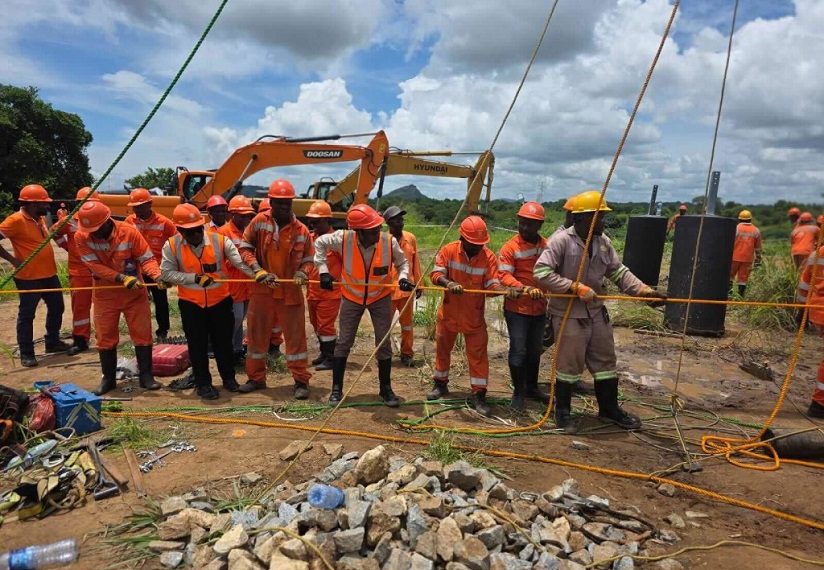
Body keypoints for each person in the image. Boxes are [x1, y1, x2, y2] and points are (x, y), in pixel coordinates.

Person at [533, 190, 665, 433]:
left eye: (603, 216)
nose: (604, 221)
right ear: (581, 219)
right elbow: (541, 273)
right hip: (569, 314)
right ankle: (562, 413)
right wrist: (573, 287)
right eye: (600, 216)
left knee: (605, 362)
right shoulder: (561, 241)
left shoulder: (603, 242)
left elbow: (618, 272)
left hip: (595, 313)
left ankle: (609, 409)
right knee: (569, 365)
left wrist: (644, 292)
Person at [161, 204, 267, 400]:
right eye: (190, 232)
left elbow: (239, 262)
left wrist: (258, 274)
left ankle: (229, 379)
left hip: (220, 302)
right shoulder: (172, 245)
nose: (195, 235)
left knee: (223, 344)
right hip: (191, 304)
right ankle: (203, 383)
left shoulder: (220, 241)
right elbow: (167, 274)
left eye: (198, 230)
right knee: (198, 346)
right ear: (181, 231)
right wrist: (193, 278)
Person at [314, 204, 414, 406]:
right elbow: (319, 243)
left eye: (378, 227)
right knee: (344, 342)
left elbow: (403, 263)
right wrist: (323, 271)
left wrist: (403, 277)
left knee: (383, 342)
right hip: (352, 297)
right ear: (358, 231)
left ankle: (385, 389)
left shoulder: (388, 241)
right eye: (372, 229)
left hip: (380, 297)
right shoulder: (343, 238)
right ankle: (336, 389)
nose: (378, 232)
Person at [425, 216, 513, 417]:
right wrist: (449, 284)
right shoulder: (449, 250)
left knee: (478, 356)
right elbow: (436, 274)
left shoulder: (489, 257)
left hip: (473, 317)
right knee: (442, 350)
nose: (477, 248)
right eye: (473, 244)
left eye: (480, 244)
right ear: (462, 238)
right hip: (448, 313)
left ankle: (479, 395)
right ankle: (440, 384)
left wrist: (504, 290)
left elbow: (491, 283)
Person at [74, 201, 163, 395]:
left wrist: (156, 276)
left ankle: (146, 376)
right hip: (105, 294)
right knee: (105, 337)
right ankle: (108, 379)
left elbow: (146, 258)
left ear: (107, 222)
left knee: (142, 333)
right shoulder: (81, 236)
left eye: (96, 228)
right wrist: (121, 278)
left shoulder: (129, 232)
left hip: (134, 294)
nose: (93, 233)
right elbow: (94, 265)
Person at [238, 179, 313, 399]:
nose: (282, 206)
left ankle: (301, 381)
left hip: (290, 292)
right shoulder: (259, 222)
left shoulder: (302, 230)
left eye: (286, 203)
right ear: (271, 201)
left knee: (296, 339)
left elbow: (309, 259)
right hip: (263, 290)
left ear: (291, 203)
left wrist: (302, 273)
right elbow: (245, 248)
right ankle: (255, 378)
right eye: (278, 202)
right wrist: (258, 270)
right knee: (256, 337)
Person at [0, 184, 70, 367]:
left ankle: (52, 342)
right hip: (29, 277)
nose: (47, 207)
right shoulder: (14, 220)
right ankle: (27, 353)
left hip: (49, 274)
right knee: (27, 315)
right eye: (43, 203)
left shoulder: (37, 218)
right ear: (31, 204)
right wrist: (12, 260)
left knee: (57, 307)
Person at [498, 202, 549, 412]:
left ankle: (532, 388)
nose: (525, 228)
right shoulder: (511, 247)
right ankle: (518, 393)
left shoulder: (547, 246)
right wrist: (523, 288)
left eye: (530, 224)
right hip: (517, 309)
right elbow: (503, 274)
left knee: (535, 350)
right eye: (522, 223)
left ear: (540, 225)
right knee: (518, 350)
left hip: (539, 309)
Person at [51, 187, 99, 355]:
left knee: (103, 306)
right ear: (79, 204)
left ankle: (104, 338)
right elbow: (54, 232)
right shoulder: (70, 221)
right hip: (79, 273)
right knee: (80, 309)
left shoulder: (101, 219)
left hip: (100, 272)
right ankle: (80, 340)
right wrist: (66, 246)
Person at [124, 187, 177, 341]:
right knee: (138, 303)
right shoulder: (129, 222)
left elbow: (177, 242)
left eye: (141, 205)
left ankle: (162, 331)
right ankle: (141, 333)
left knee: (161, 302)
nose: (138, 209)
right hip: (136, 271)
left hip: (158, 270)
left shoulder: (164, 223)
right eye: (135, 206)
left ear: (150, 204)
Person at [217, 196, 257, 363]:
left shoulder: (250, 231)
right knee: (236, 318)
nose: (246, 219)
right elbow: (218, 260)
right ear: (232, 214)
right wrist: (239, 260)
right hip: (232, 284)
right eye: (242, 216)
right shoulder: (223, 233)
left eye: (248, 216)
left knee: (241, 320)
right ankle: (225, 349)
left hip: (247, 284)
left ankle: (237, 350)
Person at [383, 205, 422, 366]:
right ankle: (384, 354)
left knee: (407, 325)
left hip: (406, 292)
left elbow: (415, 262)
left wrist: (418, 284)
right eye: (397, 220)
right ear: (389, 223)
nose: (401, 223)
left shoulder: (410, 238)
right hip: (387, 291)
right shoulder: (382, 240)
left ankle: (407, 353)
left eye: (401, 220)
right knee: (384, 326)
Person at [305, 201, 341, 371]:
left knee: (326, 325)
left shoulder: (336, 241)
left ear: (327, 220)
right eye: (311, 221)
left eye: (317, 221)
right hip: (312, 292)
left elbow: (348, 265)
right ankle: (324, 353)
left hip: (330, 293)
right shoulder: (310, 239)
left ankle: (331, 358)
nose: (313, 225)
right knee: (316, 324)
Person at [253, 197, 283, 355]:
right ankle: (261, 346)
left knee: (277, 316)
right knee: (260, 316)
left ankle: (274, 346)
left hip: (278, 281)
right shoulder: (254, 233)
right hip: (259, 281)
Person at [797, 246, 824, 418]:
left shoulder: (818, 253)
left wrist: (802, 311)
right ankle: (819, 404)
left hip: (818, 309)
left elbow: (804, 284)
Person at [729, 210, 762, 297]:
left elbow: (729, 243)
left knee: (730, 277)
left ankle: (729, 296)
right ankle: (740, 297)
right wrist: (758, 259)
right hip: (747, 259)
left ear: (739, 219)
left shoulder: (735, 228)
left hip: (734, 257)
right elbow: (758, 248)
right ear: (750, 219)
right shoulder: (756, 230)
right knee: (743, 279)